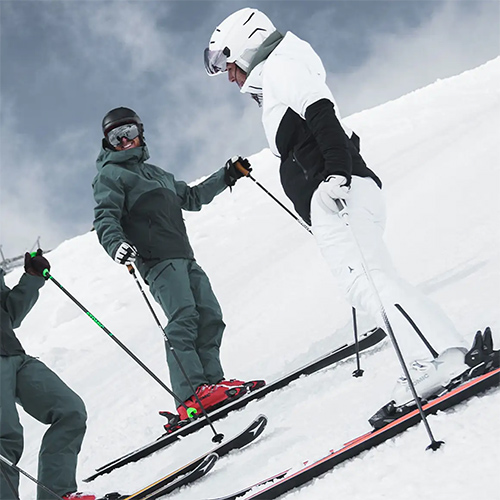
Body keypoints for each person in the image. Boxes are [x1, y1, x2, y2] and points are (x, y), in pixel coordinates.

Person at [204, 8, 483, 409]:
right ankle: (449, 354)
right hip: (344, 194)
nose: (230, 76)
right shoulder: (286, 68)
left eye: (229, 64)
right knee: (379, 280)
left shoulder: (281, 67)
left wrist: (336, 175)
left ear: (246, 47)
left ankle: (432, 361)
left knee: (367, 284)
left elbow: (321, 113)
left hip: (338, 194)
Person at [92, 107, 264, 426]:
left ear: (140, 132)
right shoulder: (110, 176)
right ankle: (191, 396)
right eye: (116, 137)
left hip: (184, 255)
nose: (125, 141)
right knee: (183, 317)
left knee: (210, 315)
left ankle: (212, 384)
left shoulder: (159, 175)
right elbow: (105, 217)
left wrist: (227, 175)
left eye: (128, 132)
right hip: (156, 259)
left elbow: (193, 197)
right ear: (108, 143)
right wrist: (116, 245)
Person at [0, 251, 93, 500]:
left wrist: (31, 278)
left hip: (13, 353)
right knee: (3, 439)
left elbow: (9, 313)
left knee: (70, 410)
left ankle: (57, 494)